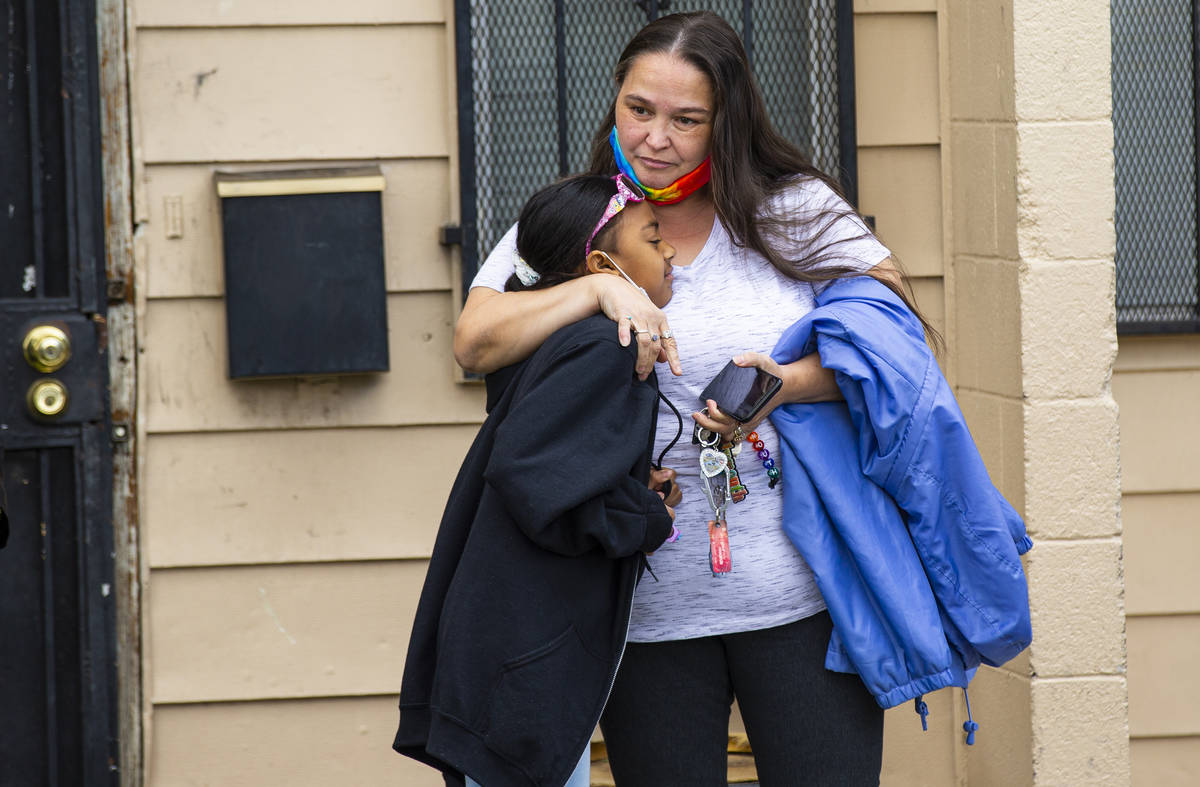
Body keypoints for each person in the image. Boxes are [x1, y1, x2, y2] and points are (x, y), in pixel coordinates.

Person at [451, 11, 930, 786]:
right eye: (639, 109)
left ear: (726, 121)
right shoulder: (582, 218)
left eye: (686, 119)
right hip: (644, 613)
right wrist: (598, 287)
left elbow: (899, 350)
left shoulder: (794, 207)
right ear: (615, 101)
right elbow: (476, 340)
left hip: (802, 598)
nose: (655, 138)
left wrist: (786, 385)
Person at [394, 173, 685, 787]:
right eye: (655, 236)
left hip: (505, 649)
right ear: (603, 264)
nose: (670, 251)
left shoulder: (552, 337)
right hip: (526, 665)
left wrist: (631, 485)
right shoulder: (607, 348)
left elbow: (551, 463)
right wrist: (647, 516)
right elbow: (535, 481)